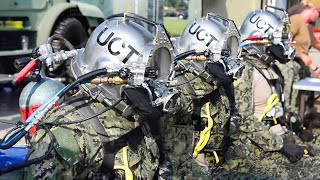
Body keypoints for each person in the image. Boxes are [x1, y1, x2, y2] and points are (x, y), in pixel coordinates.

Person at [24, 13, 180, 179]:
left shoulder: (143, 116)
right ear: (110, 75)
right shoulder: (65, 133)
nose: (156, 87)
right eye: (147, 77)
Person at [161, 13, 267, 179]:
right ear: (201, 54)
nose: (229, 61)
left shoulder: (221, 87)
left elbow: (233, 136)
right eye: (223, 53)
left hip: (220, 167)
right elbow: (176, 159)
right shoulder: (181, 91)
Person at [224, 8, 320, 179]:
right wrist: (281, 145)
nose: (284, 45)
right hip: (258, 151)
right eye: (279, 39)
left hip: (283, 138)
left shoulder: (272, 68)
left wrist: (298, 129)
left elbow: (278, 109)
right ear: (261, 39)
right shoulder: (245, 70)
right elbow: (243, 120)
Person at [279, 0, 320, 113]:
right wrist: (302, 55)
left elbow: (314, 42)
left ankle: (306, 114)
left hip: (302, 64)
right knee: (294, 94)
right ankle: (290, 113)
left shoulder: (307, 25)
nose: (318, 17)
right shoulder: (296, 20)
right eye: (318, 13)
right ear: (313, 10)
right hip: (290, 63)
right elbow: (285, 42)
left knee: (312, 82)